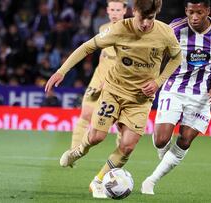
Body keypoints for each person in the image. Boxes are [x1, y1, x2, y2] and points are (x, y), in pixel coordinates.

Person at [45, 0, 182, 199]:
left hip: (140, 99)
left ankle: (98, 180)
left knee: (127, 146)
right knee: (96, 137)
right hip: (114, 92)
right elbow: (87, 47)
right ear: (134, 11)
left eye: (150, 18)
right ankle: (78, 151)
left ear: (156, 14)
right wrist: (61, 71)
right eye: (142, 18)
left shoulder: (165, 32)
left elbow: (177, 57)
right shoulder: (119, 29)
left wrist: (159, 81)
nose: (145, 23)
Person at [141, 0, 211, 195]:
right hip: (174, 88)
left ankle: (151, 181)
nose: (195, 17)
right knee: (161, 140)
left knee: (185, 140)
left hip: (201, 94)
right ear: (185, 11)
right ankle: (164, 158)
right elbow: (159, 57)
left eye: (199, 12)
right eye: (191, 12)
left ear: (208, 10)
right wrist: (155, 80)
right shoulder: (174, 29)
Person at [70, 0, 127, 150]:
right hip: (98, 79)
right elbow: (103, 54)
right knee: (86, 113)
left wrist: (110, 80)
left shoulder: (129, 32)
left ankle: (118, 163)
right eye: (112, 10)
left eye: (117, 10)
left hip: (118, 82)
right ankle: (73, 152)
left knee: (121, 124)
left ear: (124, 11)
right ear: (107, 11)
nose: (114, 13)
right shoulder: (103, 28)